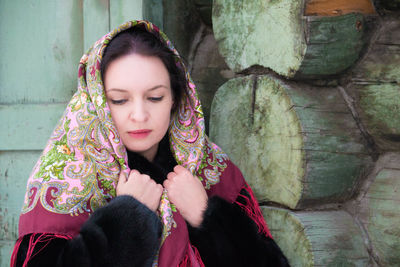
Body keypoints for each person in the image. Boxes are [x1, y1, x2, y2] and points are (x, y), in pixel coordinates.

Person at [11, 20, 290, 267]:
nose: (140, 115)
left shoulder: (209, 168)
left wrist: (208, 219)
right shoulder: (65, 178)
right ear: (96, 104)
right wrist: (125, 219)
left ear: (176, 100)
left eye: (155, 97)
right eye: (119, 100)